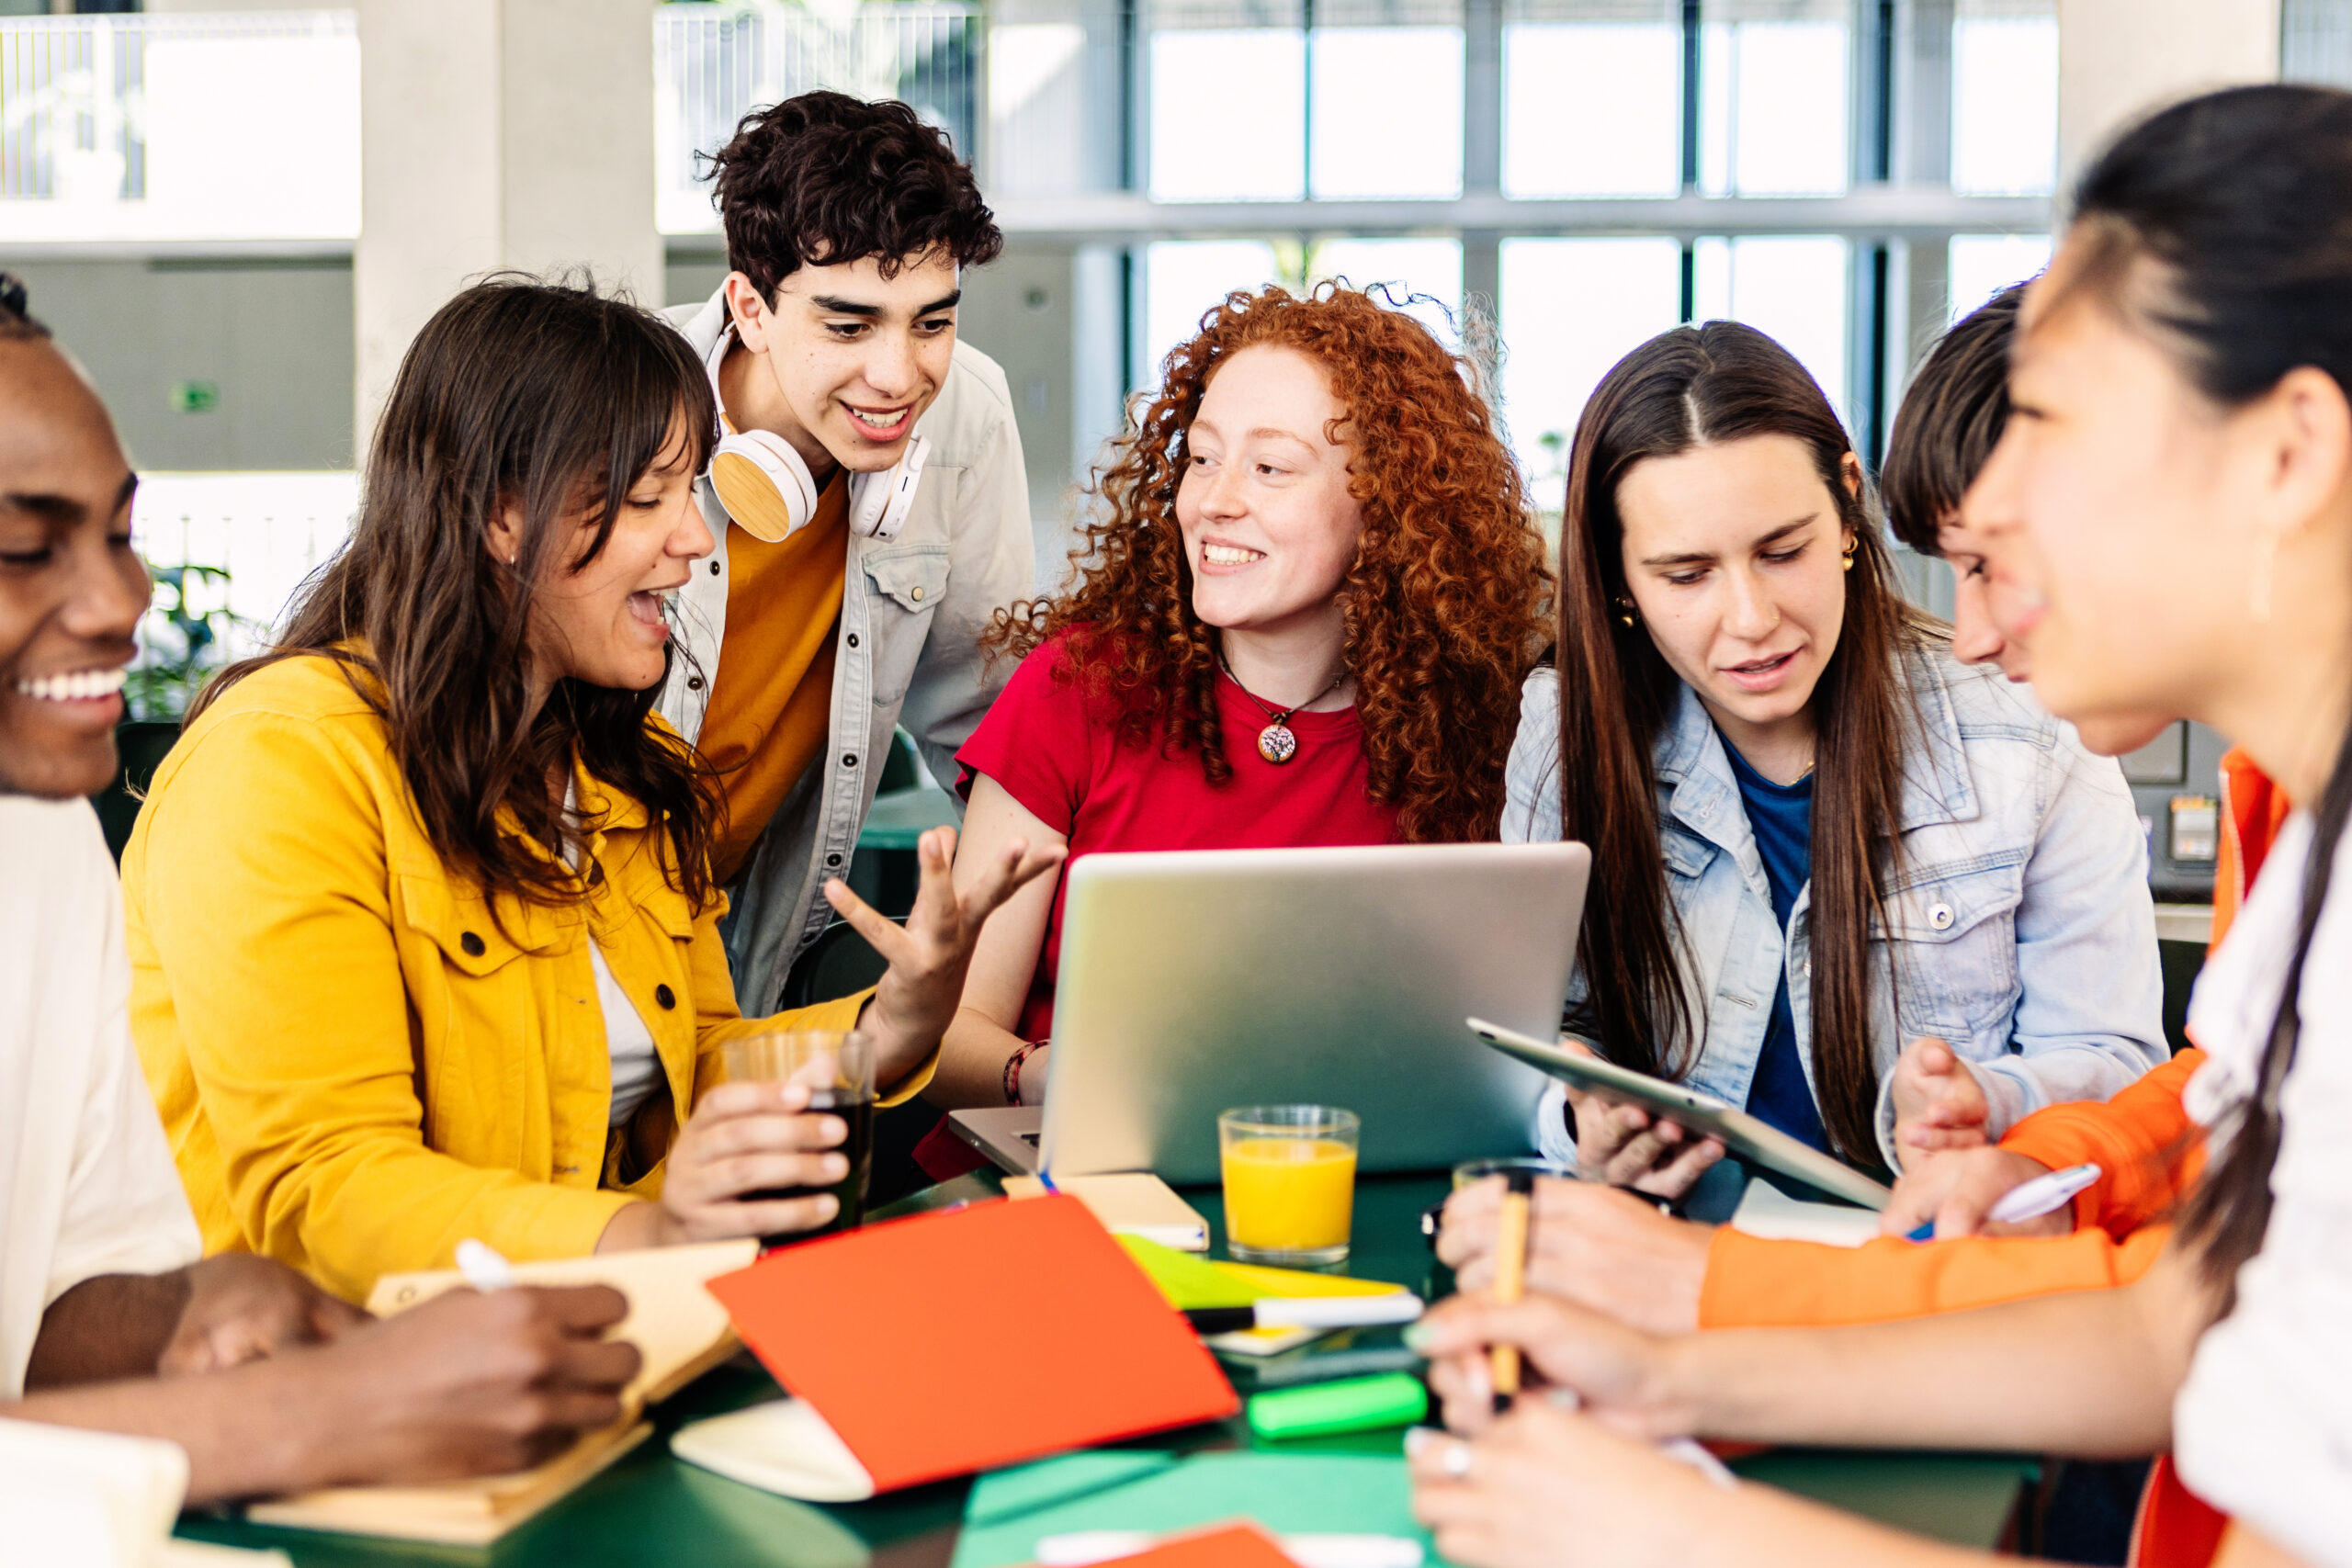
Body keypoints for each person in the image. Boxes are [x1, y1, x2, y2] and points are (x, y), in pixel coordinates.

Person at [1407, 83, 2352, 1568]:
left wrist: (1678, 1529)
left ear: (2288, 453)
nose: (1981, 571)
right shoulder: (2308, 855)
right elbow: (2178, 1320)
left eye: (2055, 426)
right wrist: (1684, 1363)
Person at [126, 277, 1057, 1303]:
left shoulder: (616, 770)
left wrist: (892, 1026)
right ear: (500, 517)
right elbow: (328, 1191)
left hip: (594, 1343)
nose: (698, 540)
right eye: (650, 499)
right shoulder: (279, 767)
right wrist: (648, 1234)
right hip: (350, 1385)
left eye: (690, 492)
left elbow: (694, 1067)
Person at [0, 276, 646, 1504]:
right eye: (28, 549)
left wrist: (207, 1305)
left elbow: (59, 1297)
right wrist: (311, 1412)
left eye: (123, 533)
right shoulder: (279, 754)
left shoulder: (41, 839)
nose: (124, 602)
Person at [1440, 289, 2197, 1336]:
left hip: (1930, 1293)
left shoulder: (2029, 722)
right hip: (1660, 1274)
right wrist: (1578, 1119)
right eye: (1685, 574)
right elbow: (1511, 1046)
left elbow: (2122, 1069)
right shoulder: (1560, 735)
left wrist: (1989, 1103)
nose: (1750, 619)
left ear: (1848, 510)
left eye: (1782, 550)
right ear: (1617, 580)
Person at [924, 283, 1552, 1119]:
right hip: (1063, 1180)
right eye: (1203, 456)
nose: (1214, 500)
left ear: (1387, 508)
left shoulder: (1477, 737)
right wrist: (1050, 1076)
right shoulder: (1078, 688)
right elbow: (946, 1039)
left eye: (1271, 468)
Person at [659, 91, 1035, 1017]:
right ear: (749, 307)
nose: (899, 376)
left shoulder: (966, 416)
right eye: (848, 325)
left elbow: (995, 732)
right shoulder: (613, 399)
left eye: (931, 322)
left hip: (750, 945)